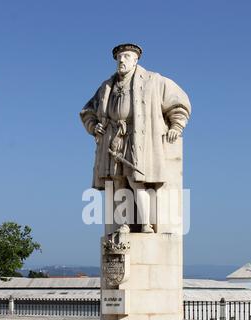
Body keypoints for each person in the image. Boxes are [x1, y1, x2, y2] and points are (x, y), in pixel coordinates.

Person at [80, 43, 191, 233]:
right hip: (114, 138)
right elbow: (88, 111)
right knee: (118, 181)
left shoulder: (153, 80)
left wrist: (176, 125)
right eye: (119, 58)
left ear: (136, 59)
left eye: (126, 57)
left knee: (137, 180)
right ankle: (124, 223)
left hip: (140, 138)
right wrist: (94, 125)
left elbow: (179, 102)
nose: (121, 60)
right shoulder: (107, 86)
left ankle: (146, 223)